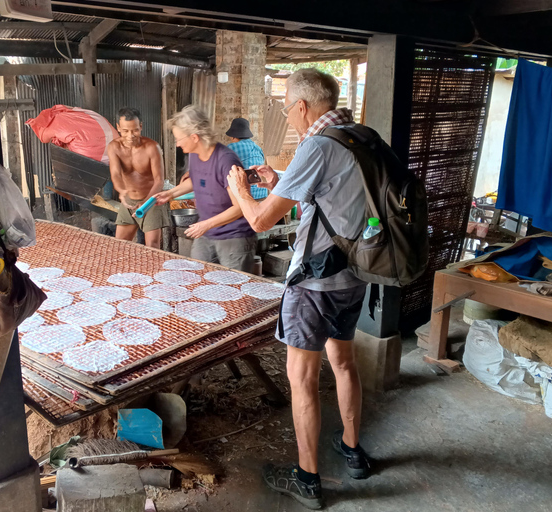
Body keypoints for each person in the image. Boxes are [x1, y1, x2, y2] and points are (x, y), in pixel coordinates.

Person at [226, 69, 371, 510]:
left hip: (314, 283)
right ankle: (352, 450)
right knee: (343, 363)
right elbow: (335, 195)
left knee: (302, 378)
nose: (288, 115)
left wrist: (239, 191)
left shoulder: (316, 144)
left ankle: (307, 478)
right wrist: (279, 181)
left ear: (303, 106)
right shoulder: (358, 137)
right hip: (356, 273)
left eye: (287, 107)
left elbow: (260, 221)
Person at [154, 106, 257, 272]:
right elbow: (196, 180)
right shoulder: (195, 154)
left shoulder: (226, 160)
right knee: (196, 278)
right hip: (207, 231)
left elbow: (239, 208)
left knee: (233, 290)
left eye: (179, 139)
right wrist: (170, 193)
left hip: (233, 237)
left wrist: (206, 225)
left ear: (194, 137)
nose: (178, 144)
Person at [107, 107, 169, 249]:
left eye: (135, 130)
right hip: (129, 201)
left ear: (141, 126)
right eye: (125, 131)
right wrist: (122, 191)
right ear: (118, 128)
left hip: (152, 200)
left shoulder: (152, 147)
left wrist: (146, 203)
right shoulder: (114, 147)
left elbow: (159, 180)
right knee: (120, 244)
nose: (130, 136)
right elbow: (115, 174)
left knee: (152, 246)